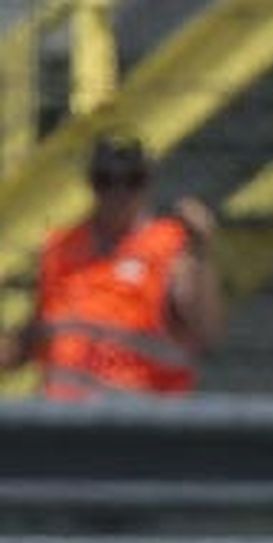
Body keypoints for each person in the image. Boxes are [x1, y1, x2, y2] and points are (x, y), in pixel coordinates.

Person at [0, 133, 224, 401]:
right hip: (63, 417)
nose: (118, 193)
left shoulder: (171, 247)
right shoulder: (61, 249)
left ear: (146, 183)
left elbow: (205, 331)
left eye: (131, 180)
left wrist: (201, 253)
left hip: (138, 419)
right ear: (92, 184)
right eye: (105, 180)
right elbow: (35, 337)